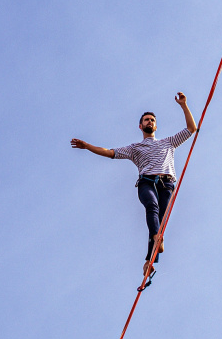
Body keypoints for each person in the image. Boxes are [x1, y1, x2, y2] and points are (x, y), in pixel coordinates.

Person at [71, 92, 197, 276]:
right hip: (146, 182)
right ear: (140, 126)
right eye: (146, 120)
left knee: (159, 221)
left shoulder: (168, 143)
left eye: (152, 120)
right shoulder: (134, 148)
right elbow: (109, 152)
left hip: (166, 183)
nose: (150, 122)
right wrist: (87, 146)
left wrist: (184, 105)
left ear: (156, 124)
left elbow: (191, 129)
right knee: (151, 208)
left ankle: (148, 261)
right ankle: (156, 239)